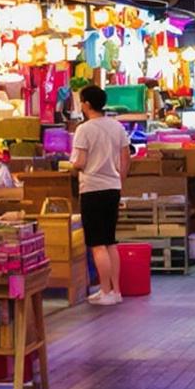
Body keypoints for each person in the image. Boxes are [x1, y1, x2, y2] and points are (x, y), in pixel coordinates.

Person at [67, 84, 131, 305]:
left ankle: (105, 292)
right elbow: (125, 158)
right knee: (110, 240)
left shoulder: (84, 129)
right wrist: (119, 182)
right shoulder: (117, 127)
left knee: (97, 243)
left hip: (92, 189)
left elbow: (81, 162)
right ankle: (117, 290)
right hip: (112, 188)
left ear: (86, 104)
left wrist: (71, 164)